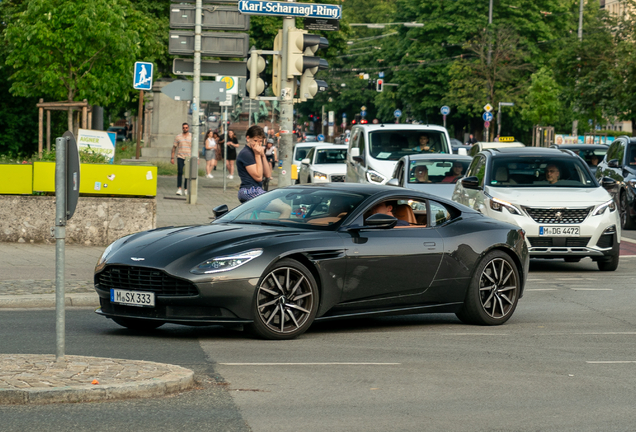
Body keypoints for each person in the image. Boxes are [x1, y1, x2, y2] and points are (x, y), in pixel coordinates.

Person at [236, 125, 272, 202]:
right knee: (285, 208)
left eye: (260, 141)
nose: (258, 144)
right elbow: (259, 178)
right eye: (255, 141)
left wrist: (262, 155)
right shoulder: (246, 153)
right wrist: (257, 155)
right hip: (249, 190)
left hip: (257, 189)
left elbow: (268, 174)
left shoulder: (256, 152)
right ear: (248, 138)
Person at [170, 122, 191, 196]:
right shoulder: (178, 136)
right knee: (180, 172)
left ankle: (186, 189)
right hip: (180, 156)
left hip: (188, 157)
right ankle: (179, 188)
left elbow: (195, 148)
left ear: (188, 128)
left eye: (186, 127)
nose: (185, 129)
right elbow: (174, 147)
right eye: (183, 127)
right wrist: (172, 157)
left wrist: (197, 158)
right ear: (182, 128)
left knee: (187, 174)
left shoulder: (191, 136)